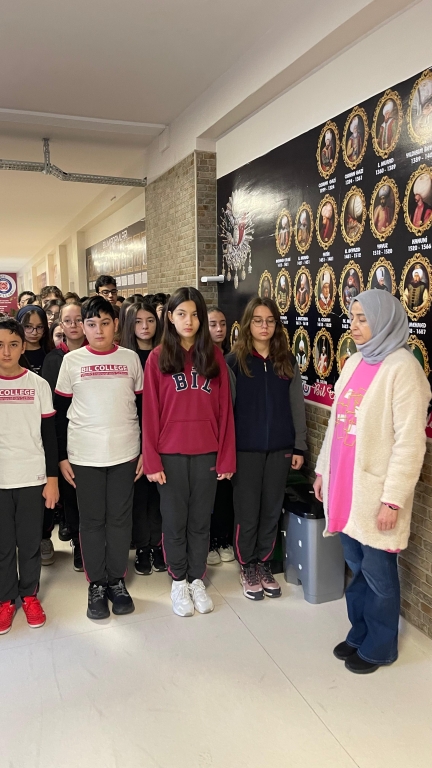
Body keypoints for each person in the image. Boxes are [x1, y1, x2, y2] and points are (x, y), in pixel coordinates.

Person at [314, 290, 430, 674]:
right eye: (353, 317)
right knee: (357, 566)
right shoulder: (354, 362)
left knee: (379, 574)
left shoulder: (403, 369)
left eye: (363, 318)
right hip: (345, 489)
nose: (355, 325)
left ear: (384, 320)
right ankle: (360, 632)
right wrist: (323, 471)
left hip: (376, 493)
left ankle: (381, 647)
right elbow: (336, 424)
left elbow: (410, 443)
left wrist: (392, 499)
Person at [143, 287, 235, 617]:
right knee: (174, 521)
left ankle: (197, 578)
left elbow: (225, 412)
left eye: (195, 314)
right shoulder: (157, 358)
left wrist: (226, 457)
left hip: (207, 453)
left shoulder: (214, 357)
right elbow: (150, 413)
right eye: (181, 314)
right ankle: (178, 579)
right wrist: (151, 460)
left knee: (199, 521)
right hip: (170, 455)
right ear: (169, 317)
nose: (189, 321)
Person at [54, 296, 143, 620]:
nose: (99, 330)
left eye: (105, 323)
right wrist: (61, 457)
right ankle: (96, 584)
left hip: (125, 453)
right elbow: (60, 412)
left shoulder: (130, 359)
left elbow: (143, 408)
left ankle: (116, 580)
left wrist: (145, 450)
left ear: (116, 325)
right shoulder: (71, 361)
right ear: (83, 327)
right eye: (91, 324)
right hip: (84, 455)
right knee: (91, 521)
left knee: (119, 520)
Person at [226, 297, 307, 600]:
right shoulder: (234, 362)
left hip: (280, 449)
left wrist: (299, 446)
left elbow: (296, 407)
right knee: (247, 511)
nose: (264, 326)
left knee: (272, 510)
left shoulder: (286, 361)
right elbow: (226, 412)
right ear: (248, 324)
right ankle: (247, 565)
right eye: (258, 320)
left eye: (270, 321)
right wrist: (226, 452)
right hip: (244, 451)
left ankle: (264, 563)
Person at [0, 318, 59, 635]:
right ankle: (5, 599)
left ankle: (29, 595)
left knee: (29, 542)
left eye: (13, 344)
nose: (6, 352)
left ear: (23, 346)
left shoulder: (38, 385)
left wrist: (52, 479)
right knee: (3, 545)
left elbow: (49, 436)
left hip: (32, 477)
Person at [119, 301, 165, 576]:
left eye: (150, 320)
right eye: (138, 321)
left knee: (160, 494)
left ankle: (159, 544)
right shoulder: (125, 357)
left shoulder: (166, 353)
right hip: (133, 434)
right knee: (139, 495)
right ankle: (143, 547)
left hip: (163, 433)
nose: (145, 326)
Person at [42, 301, 86, 571]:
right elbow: (53, 409)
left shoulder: (99, 354)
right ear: (60, 325)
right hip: (66, 435)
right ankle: (79, 544)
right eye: (67, 321)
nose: (74, 325)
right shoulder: (54, 359)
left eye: (79, 319)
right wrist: (60, 451)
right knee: (72, 494)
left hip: (92, 435)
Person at [206, 306, 235, 565]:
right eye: (213, 324)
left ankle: (224, 538)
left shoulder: (233, 358)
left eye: (223, 324)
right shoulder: (202, 360)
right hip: (207, 435)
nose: (219, 329)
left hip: (230, 434)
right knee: (209, 493)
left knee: (225, 491)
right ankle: (209, 542)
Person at [16, 305, 53, 376]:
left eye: (39, 327)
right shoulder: (13, 354)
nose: (34, 333)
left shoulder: (51, 354)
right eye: (28, 326)